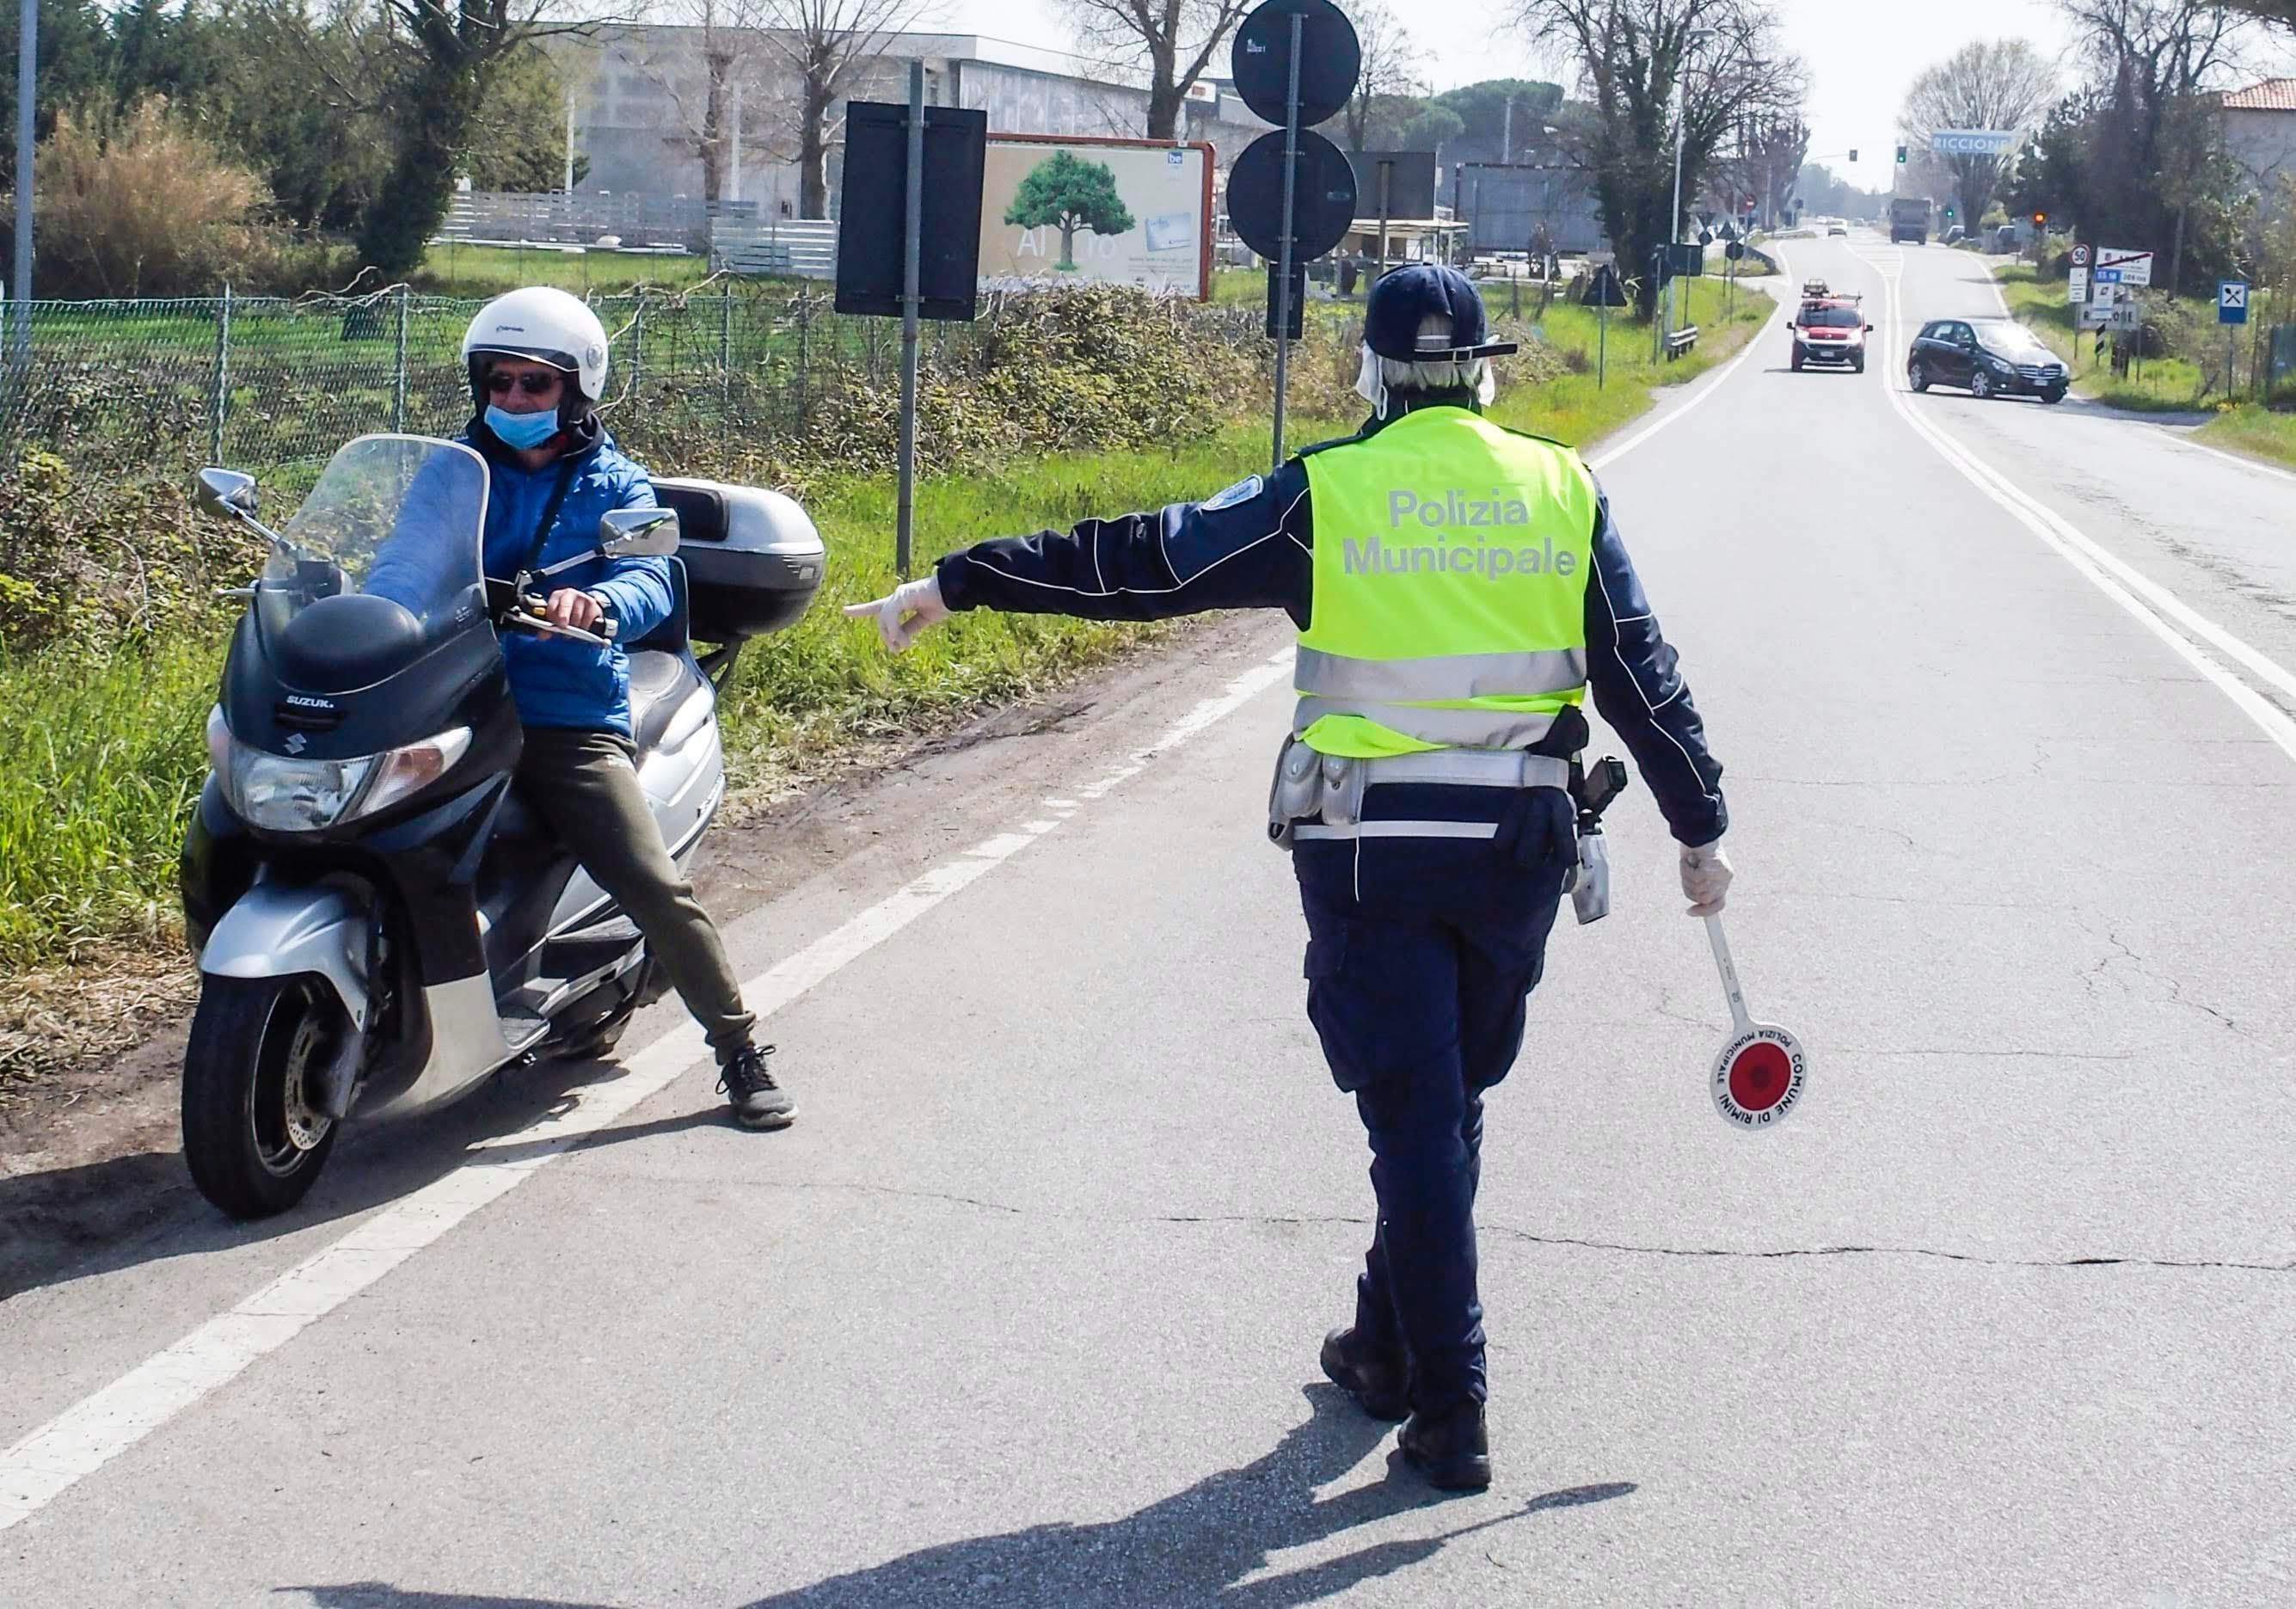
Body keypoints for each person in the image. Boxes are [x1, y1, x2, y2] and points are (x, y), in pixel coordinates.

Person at [844, 265, 1731, 1492]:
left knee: (1420, 1117)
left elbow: (1143, 562)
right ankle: (1382, 1344)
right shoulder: (1561, 485)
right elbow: (1640, 671)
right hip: (1512, 854)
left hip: (1369, 850)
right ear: (1486, 368)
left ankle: (1451, 1404)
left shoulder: (1329, 492)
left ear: (1368, 373)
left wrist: (961, 578)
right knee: (1445, 1106)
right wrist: (1699, 822)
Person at [370, 287, 792, 1130]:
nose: (516, 401)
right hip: (455, 701)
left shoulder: (613, 480)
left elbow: (650, 574)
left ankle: (739, 1047)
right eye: (500, 383)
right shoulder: (457, 472)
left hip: (562, 716)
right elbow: (406, 564)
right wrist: (377, 614)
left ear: (576, 389)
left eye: (536, 385)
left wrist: (596, 609)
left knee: (649, 880)